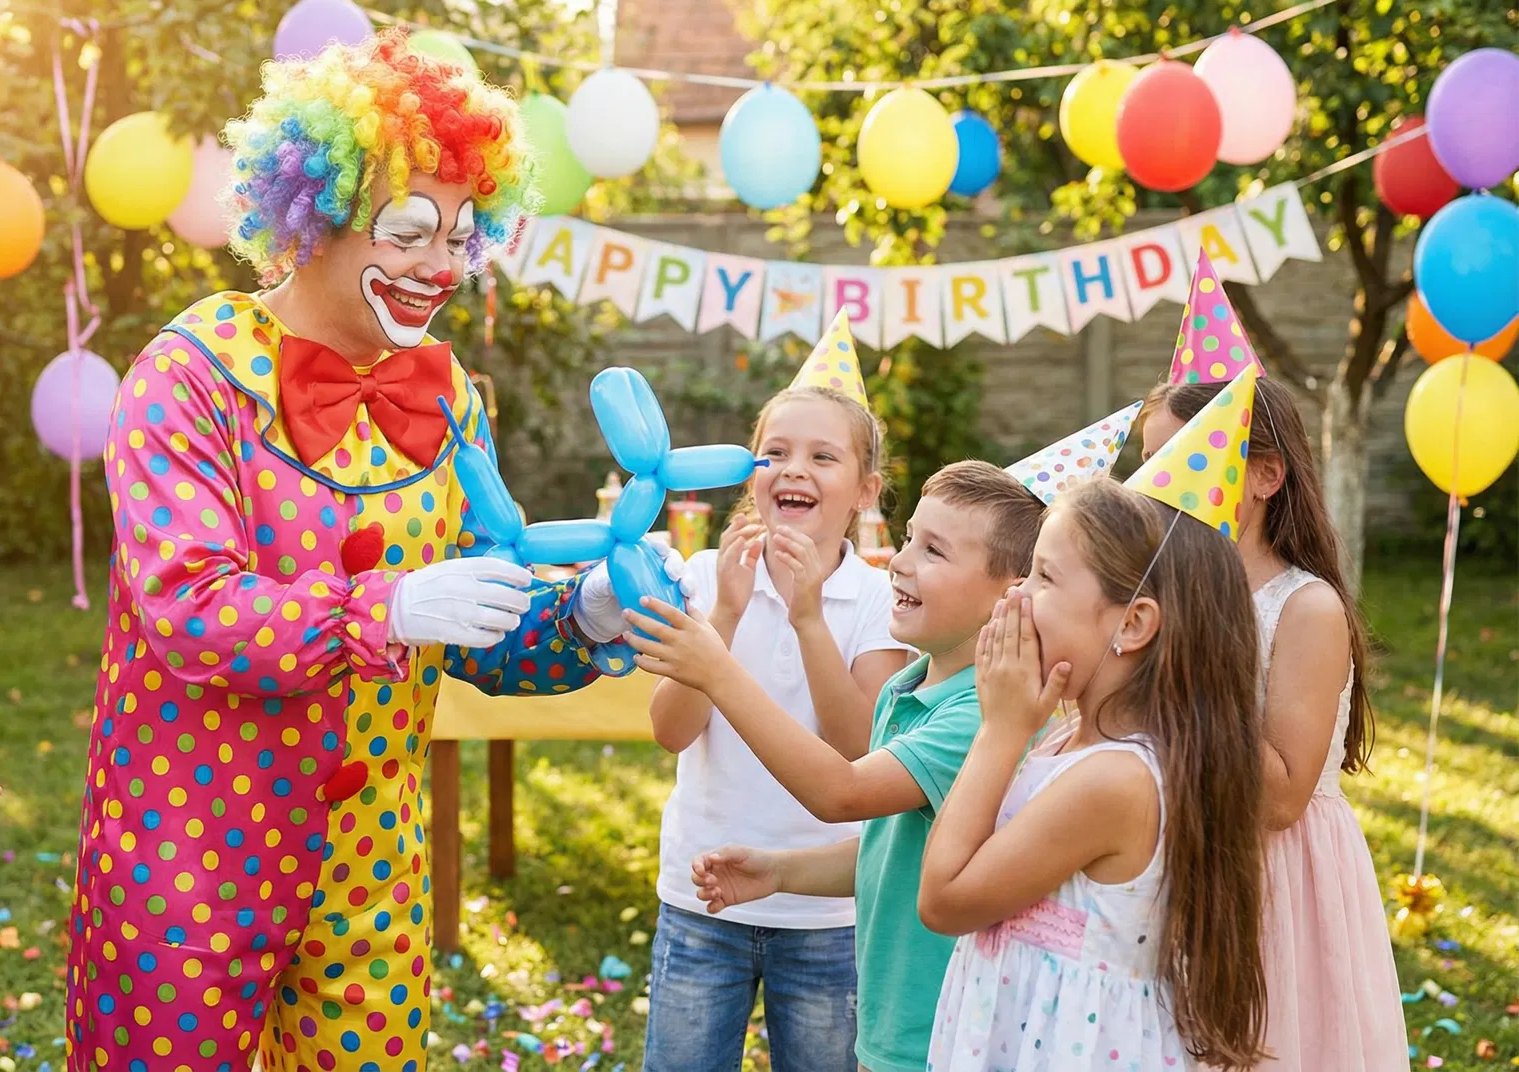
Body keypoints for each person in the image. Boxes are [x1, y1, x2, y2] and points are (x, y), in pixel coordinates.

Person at [64, 31, 675, 1071]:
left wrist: (580, 615)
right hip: (189, 857)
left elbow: (478, 618)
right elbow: (188, 611)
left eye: (461, 236)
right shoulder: (188, 377)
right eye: (410, 231)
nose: (441, 265)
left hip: (375, 874)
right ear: (313, 220)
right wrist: (382, 609)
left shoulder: (447, 398)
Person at [629, 458, 1045, 1072]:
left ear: (1009, 592)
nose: (901, 561)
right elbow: (894, 851)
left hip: (942, 1029)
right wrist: (781, 871)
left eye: (934, 550)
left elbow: (843, 794)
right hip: (898, 1023)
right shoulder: (911, 687)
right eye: (908, 539)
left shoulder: (979, 717)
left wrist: (718, 671)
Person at [917, 394, 1270, 1070]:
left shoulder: (1115, 781)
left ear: (1133, 624)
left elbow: (944, 899)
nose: (1016, 596)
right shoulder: (1069, 736)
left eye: (1045, 576)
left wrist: (999, 731)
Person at [643, 314, 914, 1072]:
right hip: (702, 899)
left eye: (822, 457)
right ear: (752, 475)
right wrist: (725, 613)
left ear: (864, 492)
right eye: (776, 453)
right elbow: (669, 731)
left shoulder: (878, 600)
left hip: (828, 913)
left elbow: (862, 752)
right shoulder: (702, 580)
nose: (794, 469)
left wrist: (806, 619)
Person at [1141, 376, 1407, 1070]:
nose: (1159, 484)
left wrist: (1188, 660)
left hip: (1272, 881)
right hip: (1173, 856)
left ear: (1266, 474)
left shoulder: (1305, 608)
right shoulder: (1153, 594)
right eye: (1151, 464)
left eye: (1183, 458)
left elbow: (1283, 797)